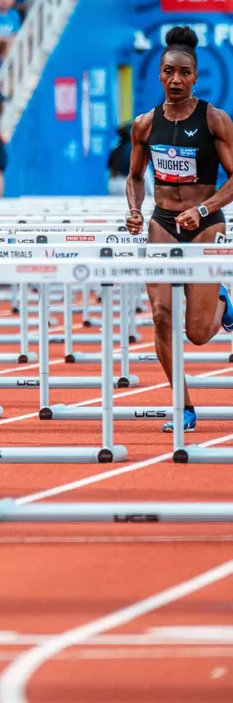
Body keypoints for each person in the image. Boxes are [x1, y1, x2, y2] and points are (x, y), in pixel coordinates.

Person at [126, 26, 233, 434]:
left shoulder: (215, 120)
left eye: (184, 73)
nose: (175, 80)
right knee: (160, 317)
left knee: (198, 333)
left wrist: (203, 208)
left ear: (195, 77)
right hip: (163, 223)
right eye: (169, 71)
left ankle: (222, 302)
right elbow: (135, 177)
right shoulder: (144, 124)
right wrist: (134, 210)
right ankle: (182, 406)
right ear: (159, 74)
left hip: (205, 224)